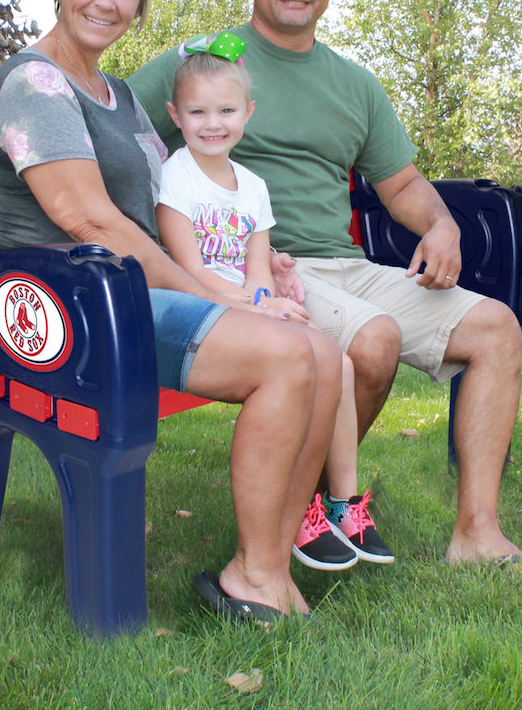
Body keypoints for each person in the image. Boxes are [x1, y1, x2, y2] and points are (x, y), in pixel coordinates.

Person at [129, 0, 522, 581]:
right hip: (261, 267)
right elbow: (115, 129)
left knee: (495, 328)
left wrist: (441, 225)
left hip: (348, 264)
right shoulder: (205, 64)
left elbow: (402, 183)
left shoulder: (354, 83)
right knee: (373, 341)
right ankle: (309, 510)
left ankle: (477, 534)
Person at [0, 0, 350, 621]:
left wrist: (256, 265)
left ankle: (264, 563)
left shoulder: (115, 95)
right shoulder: (36, 83)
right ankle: (260, 576)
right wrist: (220, 301)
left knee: (324, 354)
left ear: (140, 4)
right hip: (69, 302)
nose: (107, 1)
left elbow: (167, 208)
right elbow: (86, 218)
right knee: (285, 357)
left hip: (127, 291)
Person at [155, 34, 393, 568]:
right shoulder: (176, 176)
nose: (212, 123)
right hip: (204, 305)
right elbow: (188, 268)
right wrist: (259, 308)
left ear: (248, 113)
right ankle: (296, 512)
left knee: (340, 362)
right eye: (197, 111)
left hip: (249, 303)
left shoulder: (254, 187)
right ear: (175, 114)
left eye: (226, 110)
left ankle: (341, 503)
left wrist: (267, 298)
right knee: (302, 358)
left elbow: (257, 262)